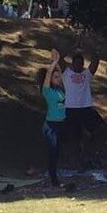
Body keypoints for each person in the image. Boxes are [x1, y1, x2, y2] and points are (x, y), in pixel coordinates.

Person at [61, 50, 104, 167]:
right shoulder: (66, 73)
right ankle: (74, 160)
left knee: (97, 128)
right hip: (71, 109)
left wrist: (87, 47)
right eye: (76, 63)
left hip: (85, 108)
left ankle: (87, 155)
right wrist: (73, 46)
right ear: (72, 63)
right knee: (72, 136)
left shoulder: (86, 74)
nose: (79, 65)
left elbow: (96, 60)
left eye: (81, 63)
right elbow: (59, 56)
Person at [40, 50, 66, 186]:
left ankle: (54, 176)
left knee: (57, 152)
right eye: (55, 78)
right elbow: (49, 74)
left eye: (58, 77)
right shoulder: (47, 90)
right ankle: (54, 180)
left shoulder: (60, 89)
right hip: (51, 126)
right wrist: (54, 62)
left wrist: (57, 62)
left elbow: (60, 74)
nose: (58, 79)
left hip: (60, 124)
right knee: (53, 152)